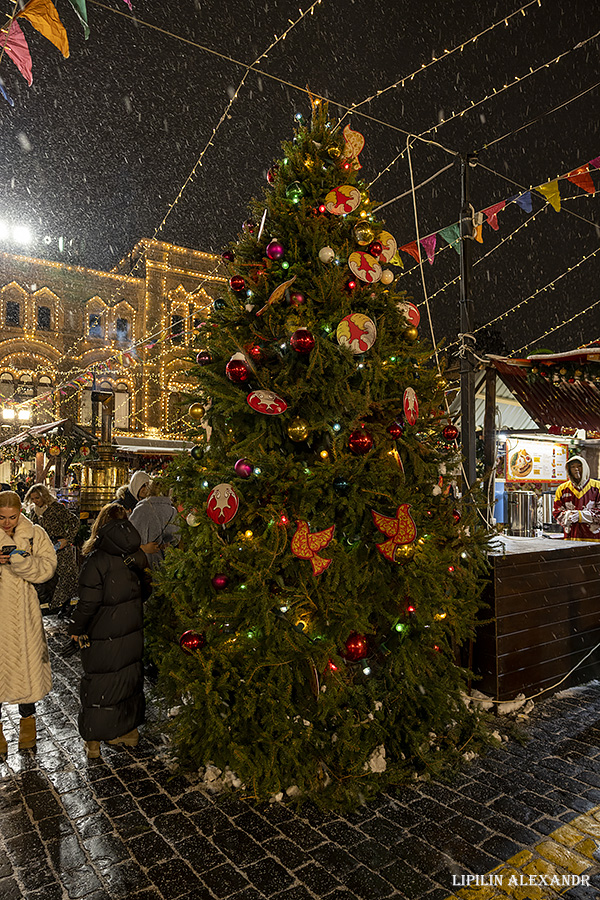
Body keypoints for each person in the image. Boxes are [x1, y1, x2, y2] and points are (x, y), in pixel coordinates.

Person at [70, 503, 147, 759]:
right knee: (127, 680)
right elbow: (146, 590)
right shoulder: (136, 555)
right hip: (131, 628)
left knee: (100, 684)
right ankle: (128, 732)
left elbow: (88, 603)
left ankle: (94, 742)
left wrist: (76, 627)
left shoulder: (97, 560)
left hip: (102, 631)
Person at [0, 490, 57, 754]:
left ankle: (28, 726)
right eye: (1, 517)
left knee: (27, 668)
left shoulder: (35, 534)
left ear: (20, 512)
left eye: (12, 517)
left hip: (25, 615)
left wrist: (19, 562)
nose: (7, 523)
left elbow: (48, 568)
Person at [25, 484, 80, 615]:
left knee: (65, 577)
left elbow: (74, 521)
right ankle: (50, 606)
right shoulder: (34, 512)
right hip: (43, 549)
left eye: (37, 498)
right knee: (46, 577)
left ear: (44, 496)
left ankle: (64, 606)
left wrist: (67, 539)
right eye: (32, 499)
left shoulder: (56, 508)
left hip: (59, 548)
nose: (35, 501)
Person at [128, 478, 180, 571]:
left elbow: (129, 538)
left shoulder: (141, 509)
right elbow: (176, 538)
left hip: (143, 561)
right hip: (166, 563)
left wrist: (143, 548)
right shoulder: (172, 511)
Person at [553, 455, 600, 541]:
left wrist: (581, 516)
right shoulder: (562, 489)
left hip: (594, 540)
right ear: (568, 469)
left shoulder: (597, 487)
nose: (576, 469)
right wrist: (568, 515)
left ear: (585, 468)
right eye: (572, 467)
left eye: (579, 466)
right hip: (570, 539)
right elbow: (556, 512)